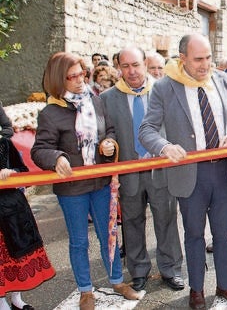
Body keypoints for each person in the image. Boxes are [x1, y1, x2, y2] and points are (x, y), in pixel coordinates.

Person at [138, 33, 227, 309]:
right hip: (189, 175)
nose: (205, 65)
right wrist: (163, 146)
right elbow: (146, 130)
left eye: (209, 58)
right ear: (182, 58)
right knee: (194, 235)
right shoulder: (164, 87)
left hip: (224, 172)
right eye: (198, 59)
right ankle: (196, 289)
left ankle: (226, 286)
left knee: (225, 235)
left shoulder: (222, 80)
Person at [31, 52, 141, 310]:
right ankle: (85, 290)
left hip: (101, 182)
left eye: (83, 73)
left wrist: (109, 143)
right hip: (72, 190)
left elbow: (110, 131)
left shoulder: (96, 102)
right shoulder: (50, 112)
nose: (80, 80)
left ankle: (116, 281)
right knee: (79, 240)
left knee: (109, 233)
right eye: (72, 76)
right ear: (59, 79)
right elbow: (39, 149)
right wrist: (56, 157)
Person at [100, 47, 184, 292]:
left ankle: (171, 269)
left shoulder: (163, 91)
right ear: (119, 68)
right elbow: (106, 133)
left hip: (160, 170)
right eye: (125, 66)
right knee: (132, 222)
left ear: (145, 63)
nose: (132, 71)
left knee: (166, 220)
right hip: (130, 173)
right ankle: (138, 271)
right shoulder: (107, 98)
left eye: (135, 64)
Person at [0, 108, 55, 310]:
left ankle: (16, 299)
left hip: (12, 207)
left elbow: (23, 170)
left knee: (19, 253)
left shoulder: (4, 144)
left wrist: (12, 172)